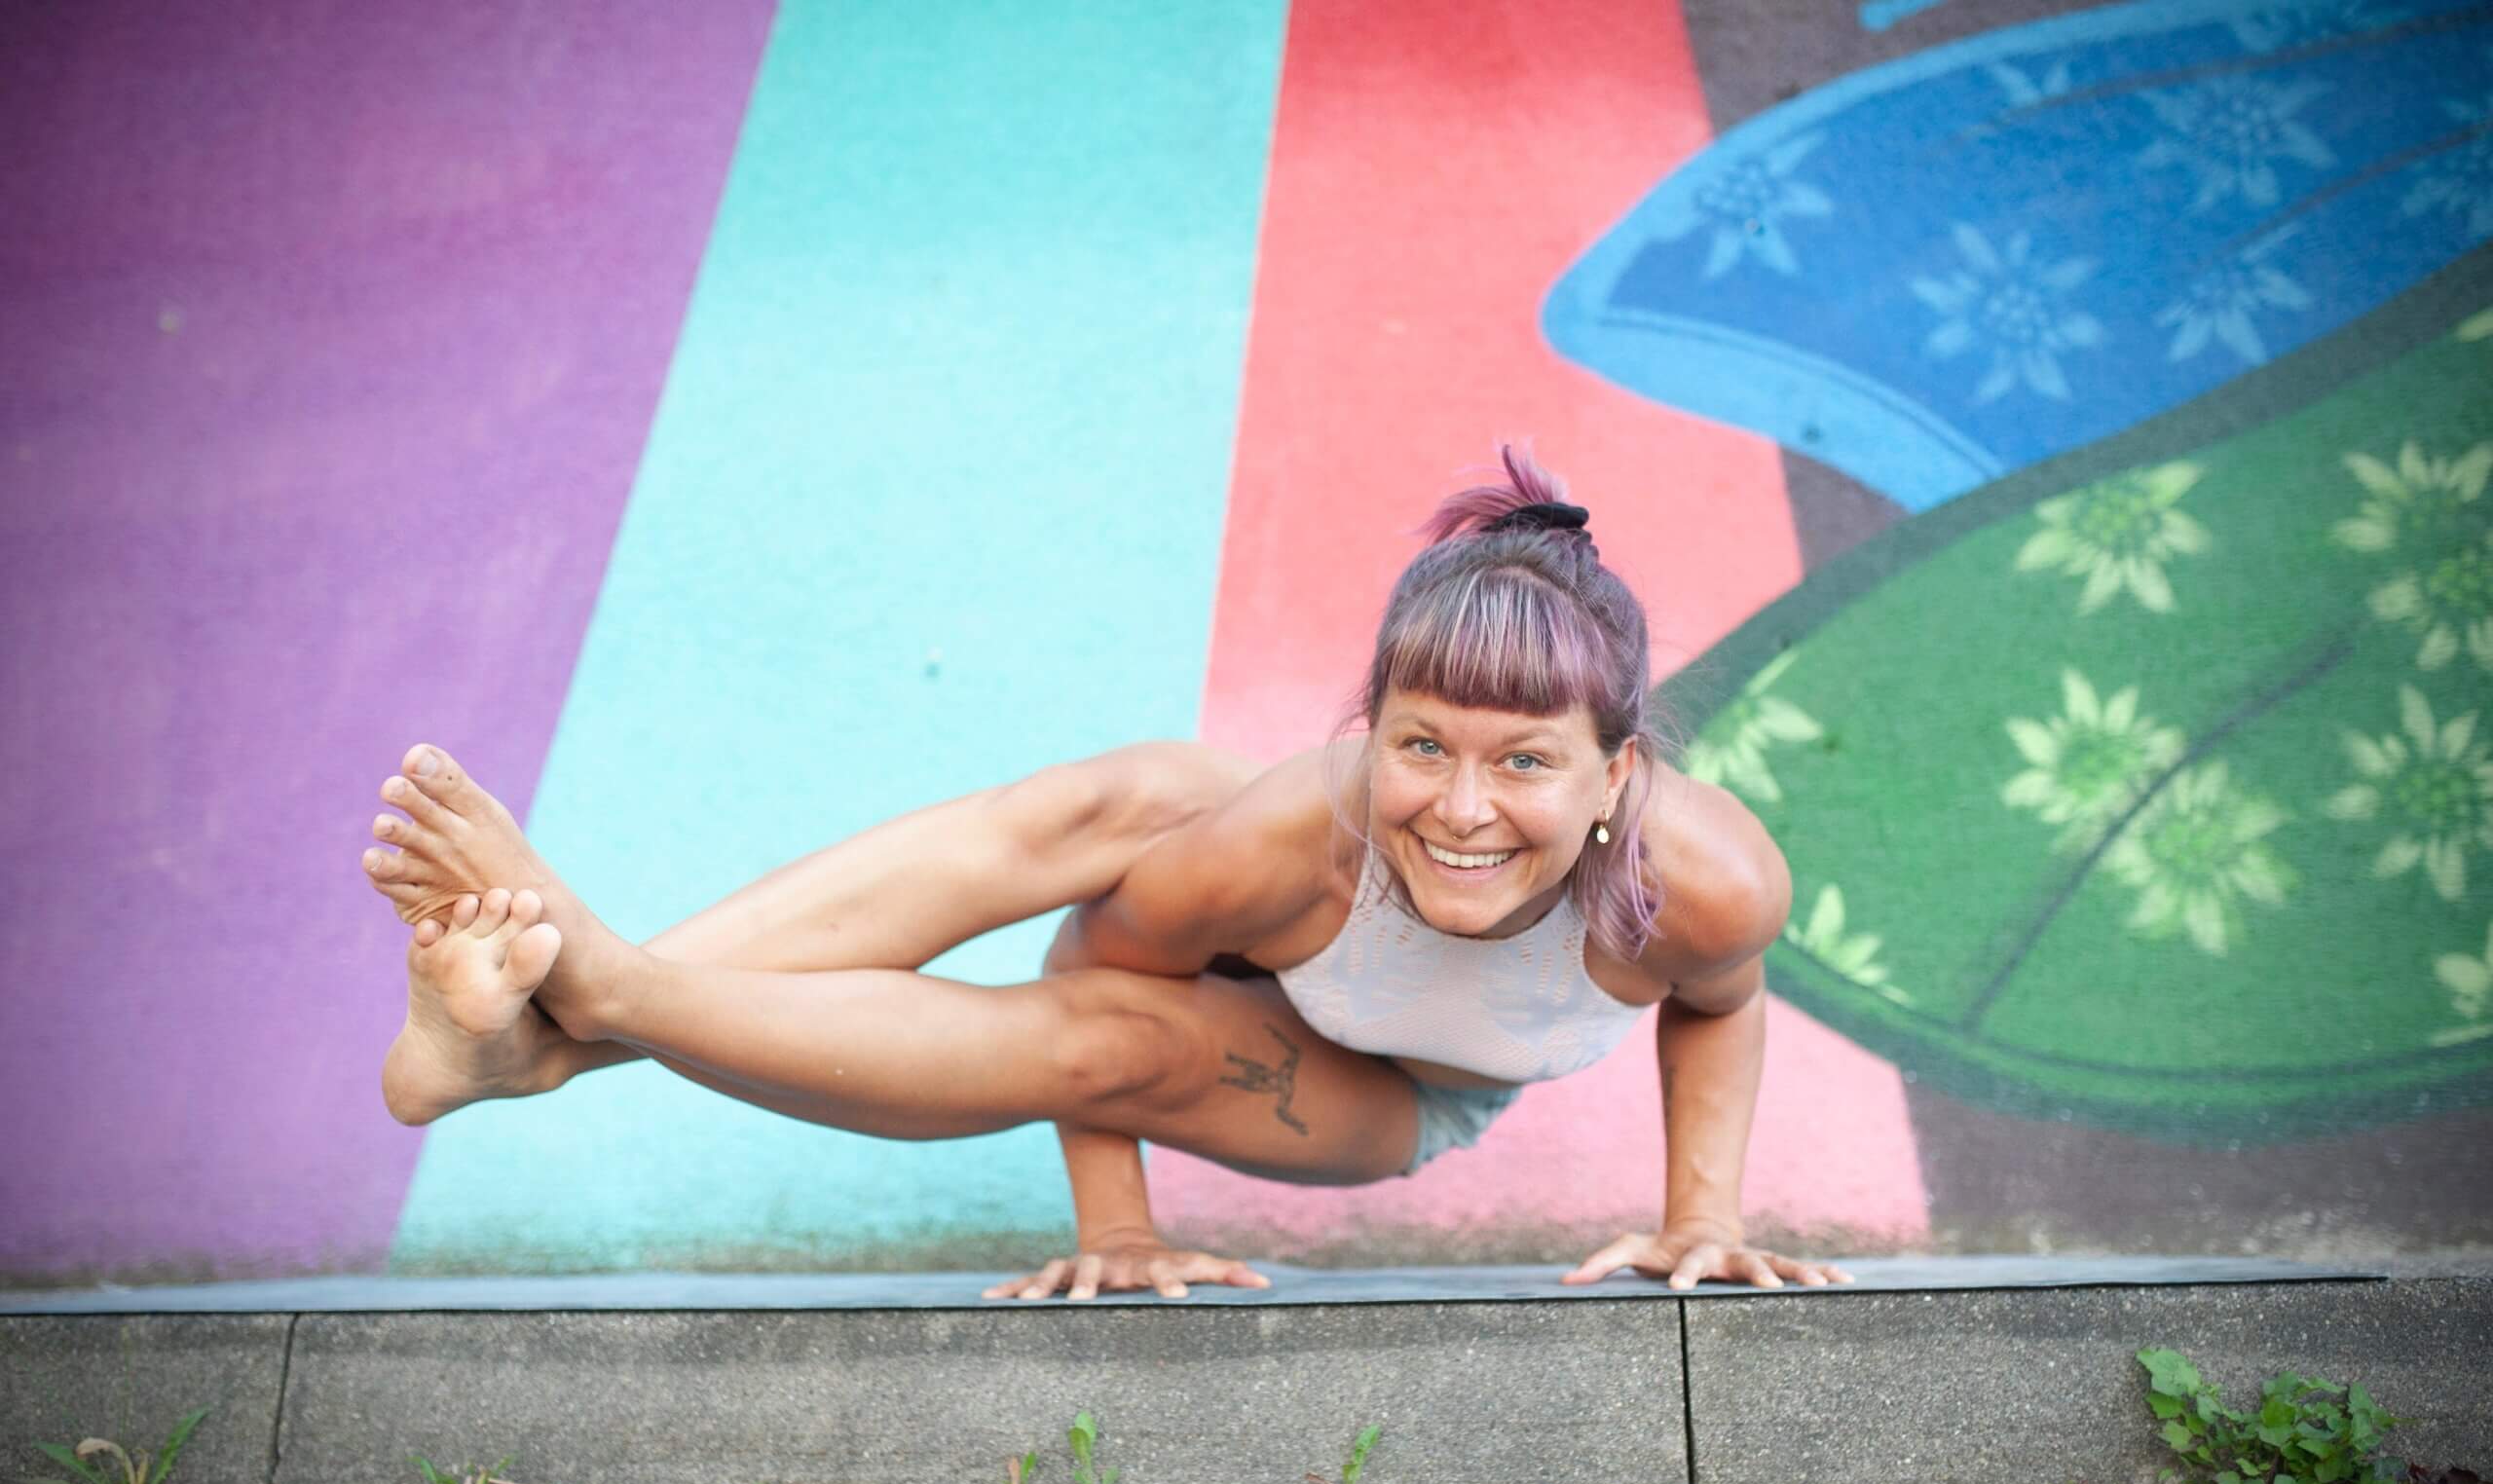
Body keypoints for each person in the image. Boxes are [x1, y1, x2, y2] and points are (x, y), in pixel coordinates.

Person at [360, 449, 1850, 1299]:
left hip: (1396, 1087)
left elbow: (1718, 1005)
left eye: (1525, 761)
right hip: (1282, 926)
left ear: (1617, 771)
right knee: (1138, 795)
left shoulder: (1709, 879)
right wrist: (1116, 1229)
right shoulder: (1302, 828)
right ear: (1370, 730)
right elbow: (1091, 966)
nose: (1462, 809)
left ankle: (577, 1009)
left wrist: (1701, 1217)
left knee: (1135, 1038)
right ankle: (564, 1014)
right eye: (1420, 745)